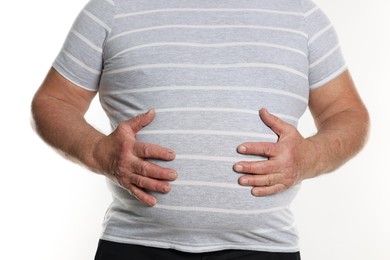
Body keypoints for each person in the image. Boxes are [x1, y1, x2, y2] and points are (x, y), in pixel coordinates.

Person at [31, 0, 369, 259]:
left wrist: (309, 156)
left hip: (266, 248)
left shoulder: (301, 15)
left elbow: (347, 113)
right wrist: (97, 151)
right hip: (135, 244)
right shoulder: (112, 8)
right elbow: (53, 101)